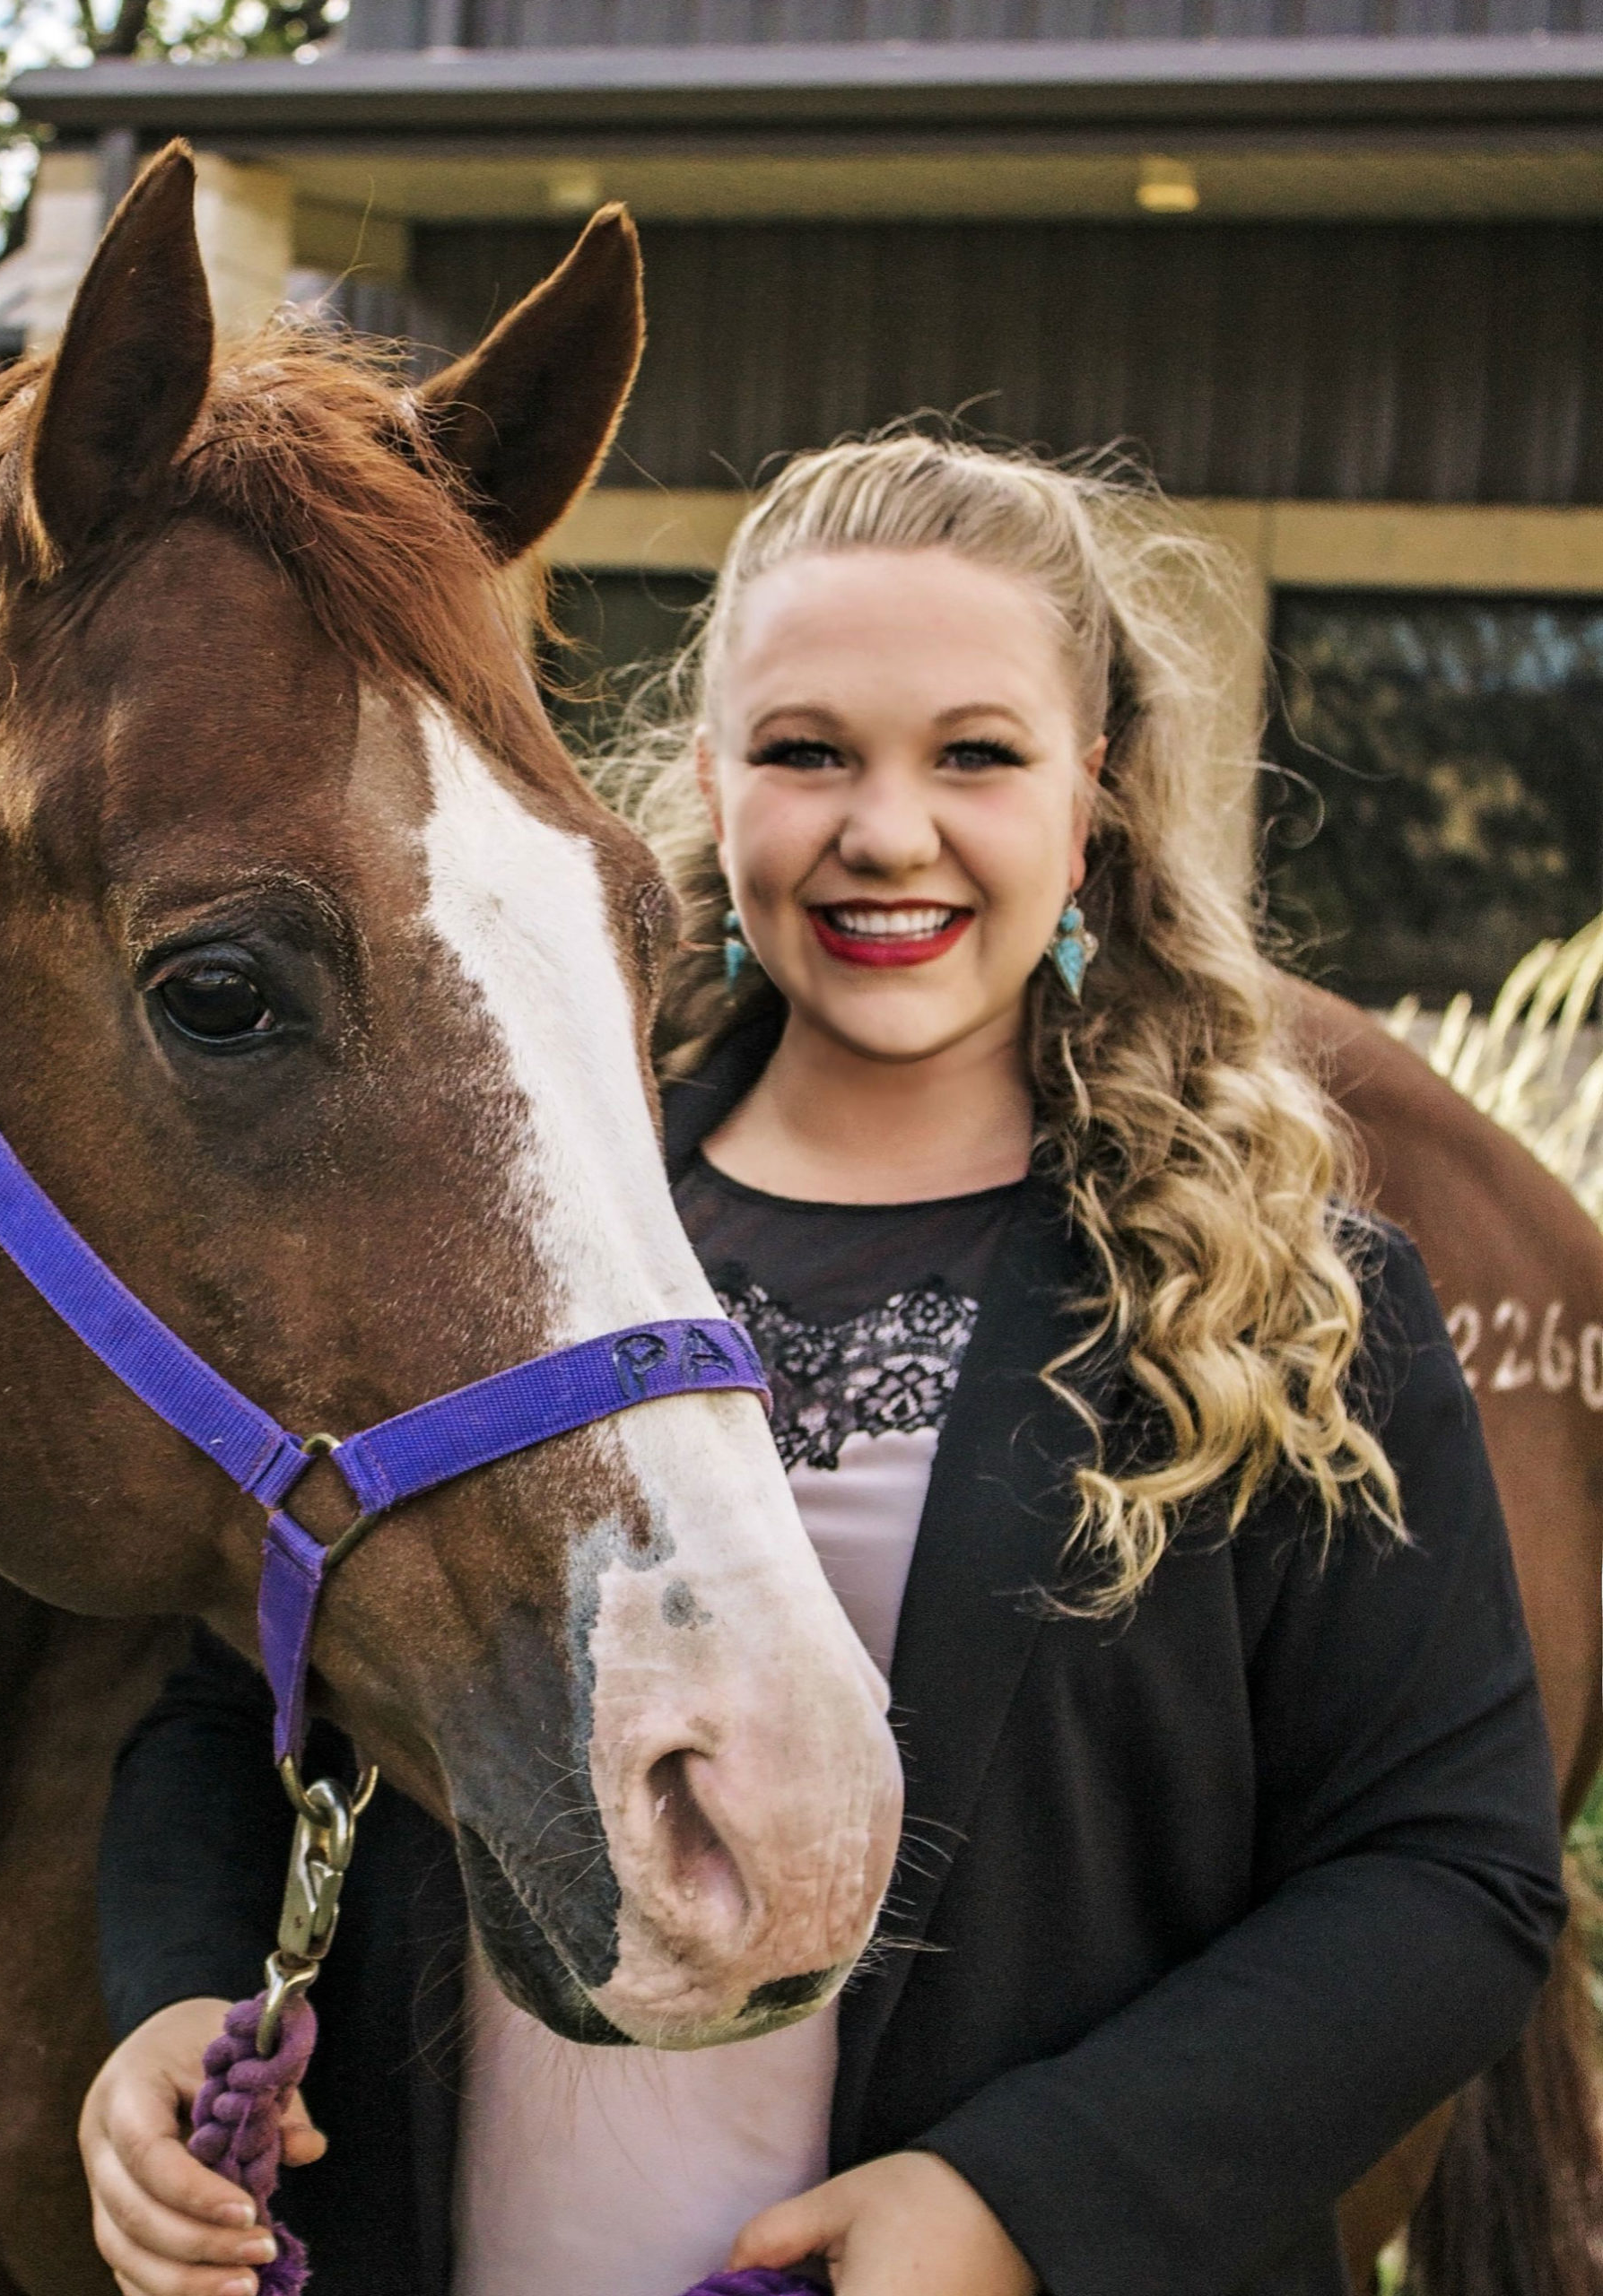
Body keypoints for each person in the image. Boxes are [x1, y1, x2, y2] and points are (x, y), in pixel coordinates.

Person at [76, 433, 1565, 2296]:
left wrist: (1017, 2202)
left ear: (1089, 793)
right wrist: (173, 2000)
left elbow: (1448, 1878)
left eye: (973, 753)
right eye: (805, 751)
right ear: (708, 783)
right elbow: (236, 1700)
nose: (884, 828)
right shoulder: (511, 1234)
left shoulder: (1291, 1299)